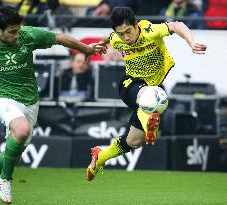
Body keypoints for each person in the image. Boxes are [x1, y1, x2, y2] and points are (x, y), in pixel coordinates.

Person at [0, 5, 104, 204]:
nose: (16, 35)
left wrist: (87, 49)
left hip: (29, 100)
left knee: (12, 152)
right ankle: (6, 179)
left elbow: (60, 38)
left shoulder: (28, 35)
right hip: (0, 96)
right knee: (20, 131)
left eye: (18, 30)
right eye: (12, 32)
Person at [86, 6, 206, 181]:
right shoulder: (117, 39)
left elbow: (177, 25)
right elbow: (108, 38)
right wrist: (94, 47)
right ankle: (150, 118)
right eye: (121, 34)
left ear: (136, 24)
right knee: (150, 95)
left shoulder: (150, 31)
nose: (126, 38)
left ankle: (100, 156)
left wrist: (191, 41)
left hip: (153, 91)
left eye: (128, 31)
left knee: (134, 141)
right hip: (130, 85)